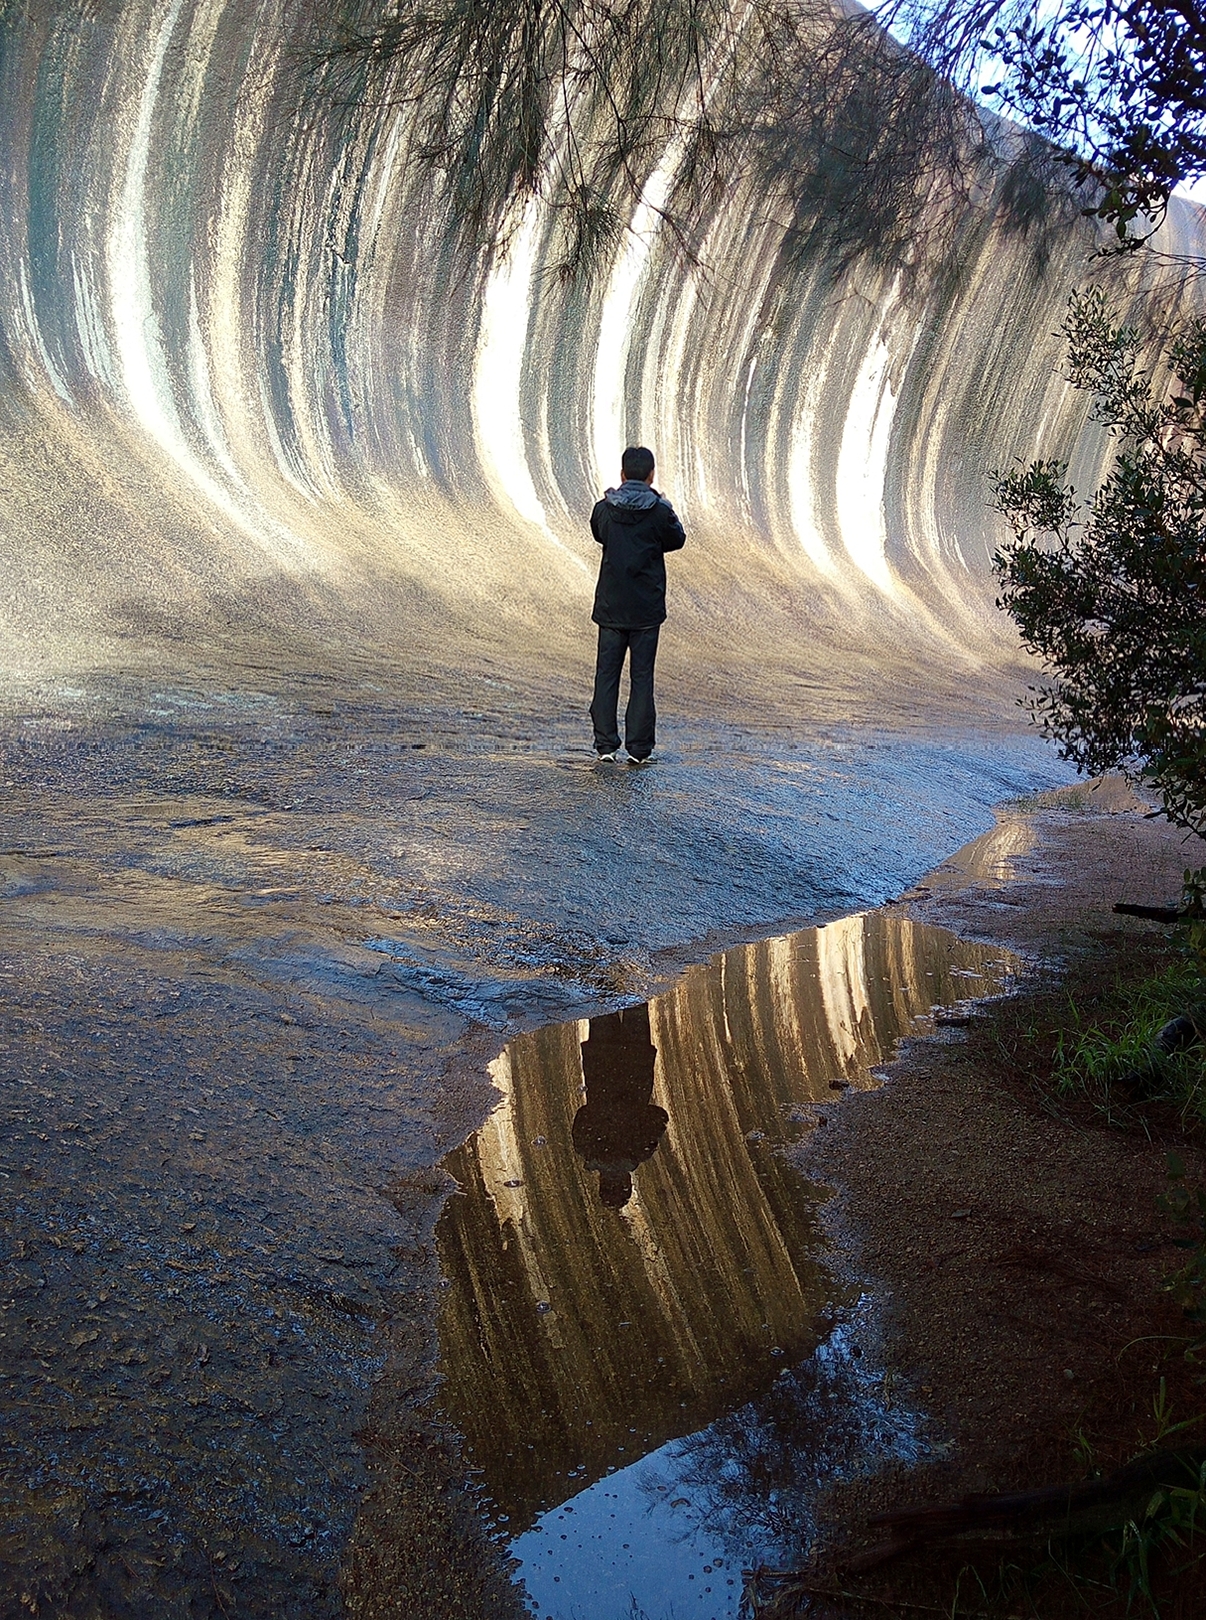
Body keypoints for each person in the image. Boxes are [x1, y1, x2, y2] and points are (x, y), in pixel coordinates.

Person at [589, 445, 686, 763]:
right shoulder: (659, 512)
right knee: (642, 677)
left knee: (607, 675)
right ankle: (639, 749)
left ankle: (605, 746)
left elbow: (599, 533)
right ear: (651, 475)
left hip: (611, 606)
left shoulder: (604, 509)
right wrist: (665, 504)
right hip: (645, 609)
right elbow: (677, 539)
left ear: (622, 474)